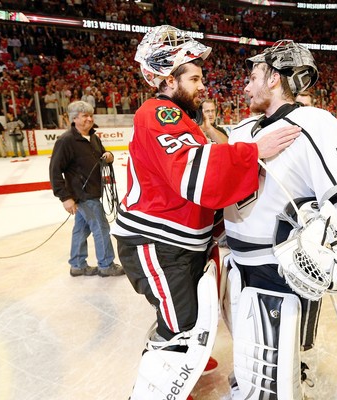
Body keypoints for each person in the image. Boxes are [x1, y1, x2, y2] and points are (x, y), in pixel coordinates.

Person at [110, 26, 300, 400]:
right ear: (168, 80)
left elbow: (201, 185)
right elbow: (194, 172)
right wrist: (253, 151)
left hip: (177, 244)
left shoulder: (181, 119)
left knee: (190, 320)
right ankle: (154, 387)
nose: (201, 87)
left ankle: (185, 361)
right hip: (156, 243)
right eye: (194, 78)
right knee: (179, 329)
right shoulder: (159, 113)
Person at [223, 40, 337, 399]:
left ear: (276, 78)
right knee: (248, 349)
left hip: (276, 266)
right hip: (236, 263)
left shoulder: (313, 121)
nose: (246, 86)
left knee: (273, 373)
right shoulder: (242, 130)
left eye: (254, 77)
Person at [49, 101, 124, 278]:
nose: (89, 119)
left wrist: (109, 157)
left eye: (91, 116)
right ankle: (106, 264)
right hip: (82, 194)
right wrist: (65, 197)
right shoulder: (66, 141)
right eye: (85, 116)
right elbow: (54, 170)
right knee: (101, 227)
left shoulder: (93, 138)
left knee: (81, 229)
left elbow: (102, 155)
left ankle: (77, 264)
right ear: (74, 119)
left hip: (92, 191)